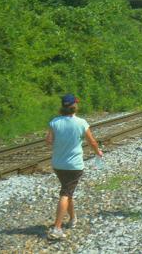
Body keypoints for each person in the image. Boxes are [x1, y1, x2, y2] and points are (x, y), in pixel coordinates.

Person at [46, 93, 103, 240]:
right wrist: (98, 152)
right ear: (74, 106)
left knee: (67, 190)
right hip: (74, 166)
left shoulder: (54, 122)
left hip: (58, 164)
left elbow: (49, 140)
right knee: (65, 193)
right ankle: (57, 228)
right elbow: (92, 142)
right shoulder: (81, 123)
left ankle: (73, 219)